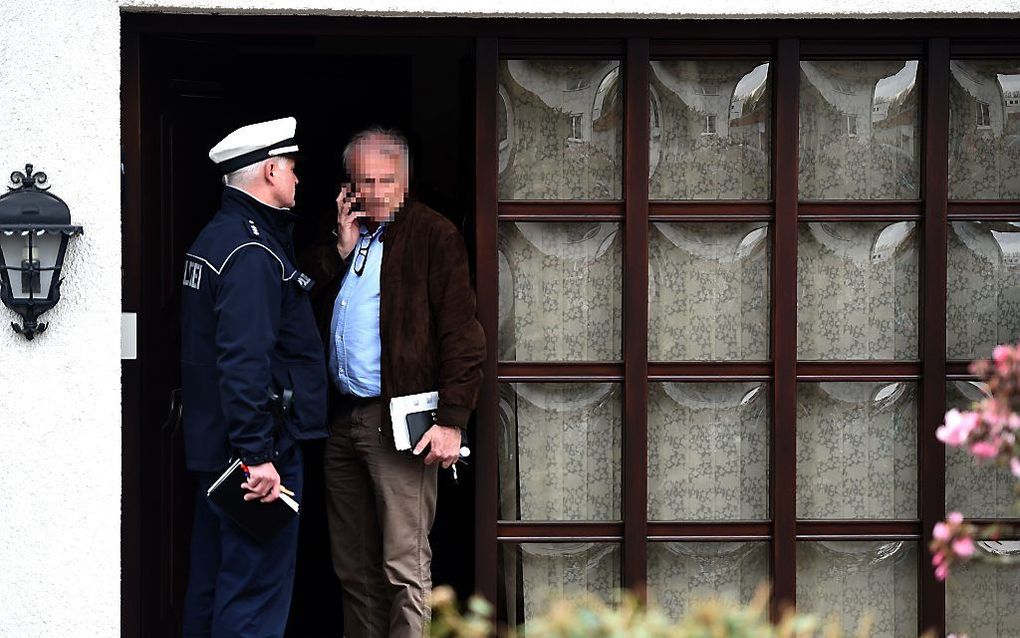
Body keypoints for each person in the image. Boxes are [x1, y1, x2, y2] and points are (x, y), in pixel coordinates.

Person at [302, 127, 486, 638]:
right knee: (352, 571)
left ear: (406, 181)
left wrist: (452, 421)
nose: (377, 191)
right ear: (349, 186)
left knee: (404, 567)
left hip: (396, 424)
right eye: (366, 181)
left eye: (386, 180)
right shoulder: (348, 233)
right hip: (343, 421)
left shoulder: (434, 233)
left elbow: (462, 335)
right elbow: (301, 302)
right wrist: (340, 247)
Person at [179, 116, 328, 638]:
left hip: (220, 452)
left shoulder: (220, 238)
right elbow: (243, 362)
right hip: (255, 457)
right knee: (254, 599)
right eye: (291, 167)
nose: (297, 178)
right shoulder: (251, 253)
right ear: (269, 170)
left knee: (213, 587)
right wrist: (258, 456)